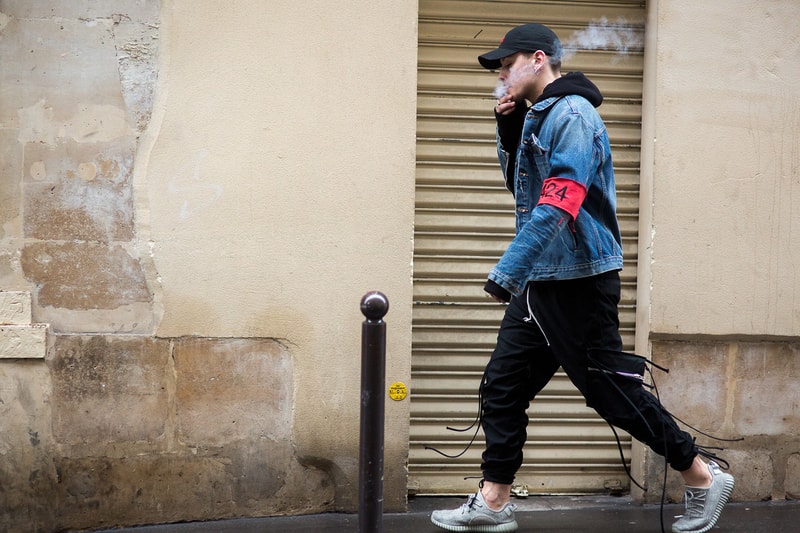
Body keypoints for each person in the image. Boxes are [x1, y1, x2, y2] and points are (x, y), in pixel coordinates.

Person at [430, 23, 734, 533]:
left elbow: (561, 200)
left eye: (507, 64)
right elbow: (523, 190)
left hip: (579, 280)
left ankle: (701, 475)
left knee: (611, 395)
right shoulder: (537, 117)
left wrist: (509, 269)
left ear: (538, 59)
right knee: (501, 387)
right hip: (543, 278)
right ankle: (495, 500)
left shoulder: (571, 114)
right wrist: (508, 129)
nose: (501, 74)